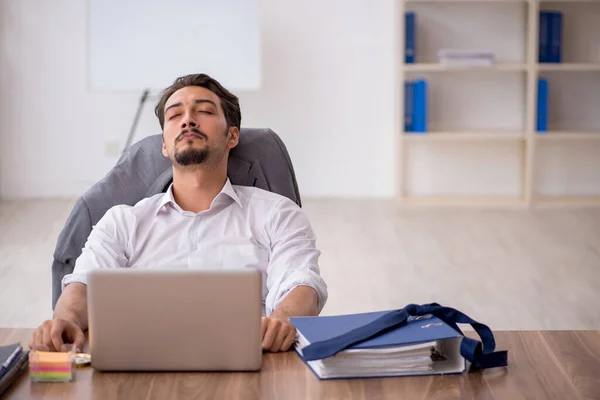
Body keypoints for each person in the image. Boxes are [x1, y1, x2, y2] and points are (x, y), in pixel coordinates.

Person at [29, 73, 327, 354]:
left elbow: (301, 283)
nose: (187, 120)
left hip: (250, 368)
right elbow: (83, 285)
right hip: (139, 372)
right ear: (164, 146)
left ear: (232, 136)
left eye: (205, 112)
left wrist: (283, 320)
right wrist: (66, 319)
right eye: (174, 115)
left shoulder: (278, 214)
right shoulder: (122, 222)